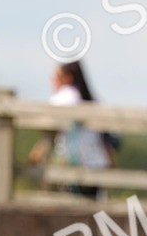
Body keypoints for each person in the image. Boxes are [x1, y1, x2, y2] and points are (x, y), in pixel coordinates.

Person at [29, 60, 112, 199]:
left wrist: (36, 153)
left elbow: (49, 127)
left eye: (56, 76)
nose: (52, 81)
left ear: (67, 78)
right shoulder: (91, 99)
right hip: (96, 165)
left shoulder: (65, 96)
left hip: (74, 165)